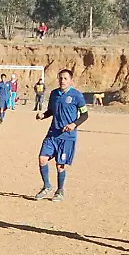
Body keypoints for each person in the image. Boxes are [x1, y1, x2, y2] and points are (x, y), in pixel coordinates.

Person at [33, 69, 88, 202]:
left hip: (67, 137)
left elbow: (85, 115)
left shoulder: (77, 96)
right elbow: (51, 111)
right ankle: (46, 186)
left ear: (71, 81)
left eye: (65, 78)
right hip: (53, 133)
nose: (62, 81)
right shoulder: (54, 94)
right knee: (42, 158)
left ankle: (60, 190)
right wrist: (43, 115)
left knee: (60, 165)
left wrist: (74, 124)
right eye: (60, 78)